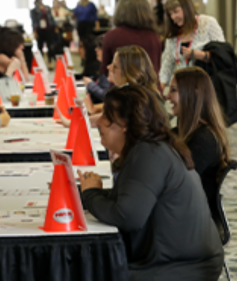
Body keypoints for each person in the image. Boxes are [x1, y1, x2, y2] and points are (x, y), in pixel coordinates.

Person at [79, 84, 224, 280]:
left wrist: (90, 195)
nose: (99, 122)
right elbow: (129, 199)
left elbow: (127, 216)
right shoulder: (150, 147)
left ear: (124, 124)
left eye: (106, 115)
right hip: (184, 260)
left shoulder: (148, 153)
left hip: (182, 267)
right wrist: (87, 191)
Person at [166, 67, 230, 216]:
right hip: (183, 213)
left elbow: (175, 184)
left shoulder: (205, 141)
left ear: (193, 94)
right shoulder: (182, 133)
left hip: (191, 221)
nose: (168, 96)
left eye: (173, 90)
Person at [159, 0, 225, 88]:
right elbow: (167, 64)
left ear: (187, 9)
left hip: (207, 87)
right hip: (184, 89)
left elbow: (223, 55)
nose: (173, 17)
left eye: (176, 12)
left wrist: (197, 55)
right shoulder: (173, 34)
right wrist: (160, 89)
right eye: (170, 14)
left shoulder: (208, 23)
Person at [101, 0, 161, 77]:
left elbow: (105, 70)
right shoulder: (154, 36)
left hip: (122, 88)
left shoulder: (111, 36)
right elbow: (157, 67)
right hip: (150, 88)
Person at [30, 0, 57, 65]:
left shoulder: (47, 8)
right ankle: (41, 63)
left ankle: (50, 62)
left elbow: (51, 18)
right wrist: (34, 31)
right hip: (40, 30)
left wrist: (55, 27)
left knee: (50, 46)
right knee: (40, 47)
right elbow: (33, 22)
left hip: (48, 29)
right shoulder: (34, 10)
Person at [83, 35, 110, 104]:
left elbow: (106, 96)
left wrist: (90, 84)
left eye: (99, 47)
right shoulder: (104, 66)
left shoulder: (110, 69)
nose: (96, 49)